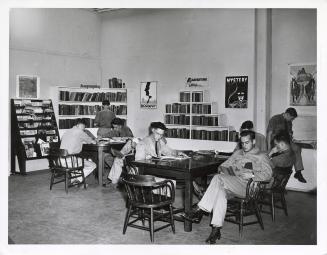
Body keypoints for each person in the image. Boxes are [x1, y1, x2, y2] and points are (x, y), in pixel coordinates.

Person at [183, 130, 272, 244]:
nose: (244, 146)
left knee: (217, 178)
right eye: (242, 143)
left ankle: (200, 209)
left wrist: (253, 174)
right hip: (232, 183)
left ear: (253, 141)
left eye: (247, 142)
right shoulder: (238, 153)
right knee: (220, 192)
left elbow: (269, 175)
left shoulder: (261, 156)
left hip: (247, 187)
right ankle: (216, 229)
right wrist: (225, 171)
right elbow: (223, 165)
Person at [266, 107, 306, 183]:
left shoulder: (289, 122)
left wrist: (292, 138)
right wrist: (268, 147)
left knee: (297, 148)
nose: (292, 120)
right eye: (291, 118)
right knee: (286, 155)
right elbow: (269, 133)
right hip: (276, 141)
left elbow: (290, 133)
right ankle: (277, 179)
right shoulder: (275, 119)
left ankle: (298, 172)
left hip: (286, 141)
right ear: (287, 114)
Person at [60, 119, 97, 185]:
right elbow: (92, 141)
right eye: (84, 126)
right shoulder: (80, 132)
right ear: (79, 125)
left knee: (77, 161)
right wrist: (94, 141)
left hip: (60, 160)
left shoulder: (67, 131)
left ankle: (74, 181)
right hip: (69, 160)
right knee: (93, 165)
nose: (84, 128)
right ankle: (78, 179)